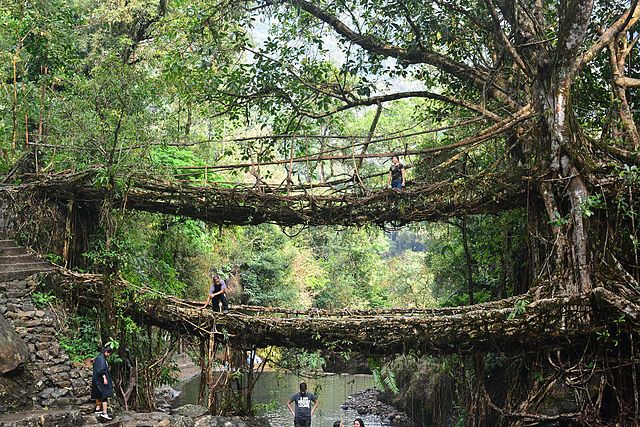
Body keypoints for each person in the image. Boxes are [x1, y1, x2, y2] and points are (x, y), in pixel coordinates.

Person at [91, 345, 114, 420]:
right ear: (106, 352)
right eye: (108, 353)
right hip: (101, 380)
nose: (108, 355)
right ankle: (105, 413)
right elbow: (101, 369)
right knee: (105, 394)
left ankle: (98, 410)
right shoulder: (101, 358)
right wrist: (104, 378)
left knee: (99, 394)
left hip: (97, 379)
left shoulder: (99, 357)